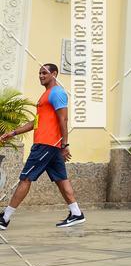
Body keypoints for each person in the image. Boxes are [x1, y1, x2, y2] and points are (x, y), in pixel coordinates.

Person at [0, 64, 85, 229]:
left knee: (25, 178)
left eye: (44, 73)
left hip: (46, 145)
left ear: (54, 74)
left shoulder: (57, 93)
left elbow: (63, 119)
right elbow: (37, 122)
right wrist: (14, 133)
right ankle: (76, 213)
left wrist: (65, 144)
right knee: (61, 179)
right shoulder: (45, 95)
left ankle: (5, 218)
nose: (41, 76)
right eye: (39, 73)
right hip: (49, 145)